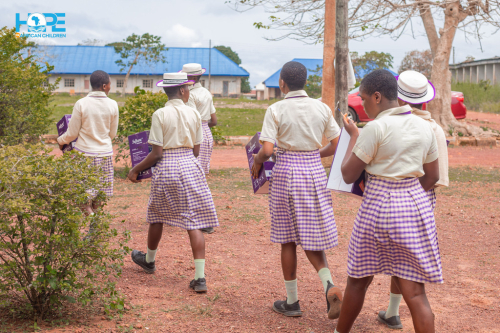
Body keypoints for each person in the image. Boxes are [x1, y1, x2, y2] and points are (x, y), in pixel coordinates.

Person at [335, 69, 442, 333]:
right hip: (415, 204)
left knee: (358, 281)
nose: (363, 104)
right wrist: (407, 195)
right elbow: (433, 176)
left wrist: (353, 136)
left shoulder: (375, 127)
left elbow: (348, 174)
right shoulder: (426, 126)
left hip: (378, 205)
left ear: (378, 96)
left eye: (363, 98)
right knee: (415, 294)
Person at [252, 61, 343, 319]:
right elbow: (336, 144)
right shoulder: (321, 108)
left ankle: (292, 301)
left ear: (282, 83)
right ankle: (328, 285)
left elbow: (268, 150)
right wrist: (315, 154)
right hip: (314, 171)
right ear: (306, 82)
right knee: (312, 232)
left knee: (288, 238)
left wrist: (257, 161)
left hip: (287, 173)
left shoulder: (276, 108)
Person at [128, 72, 219, 293]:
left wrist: (136, 169)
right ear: (181, 91)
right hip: (190, 165)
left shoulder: (159, 114)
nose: (189, 91)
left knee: (156, 215)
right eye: (187, 88)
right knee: (194, 221)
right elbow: (197, 150)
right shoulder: (194, 114)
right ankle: (200, 278)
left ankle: (149, 260)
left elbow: (157, 153)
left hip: (166, 167)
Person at [376, 70, 450, 330]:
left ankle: (395, 311)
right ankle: (392, 311)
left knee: (402, 264)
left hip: (398, 198)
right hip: (423, 199)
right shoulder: (434, 128)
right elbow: (435, 178)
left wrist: (402, 194)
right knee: (405, 261)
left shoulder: (393, 124)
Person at [57, 70, 119, 215]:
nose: (110, 87)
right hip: (105, 155)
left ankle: (92, 224)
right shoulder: (113, 104)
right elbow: (112, 134)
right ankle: (96, 230)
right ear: (104, 86)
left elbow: (72, 133)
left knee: (82, 201)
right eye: (109, 84)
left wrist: (60, 141)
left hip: (84, 156)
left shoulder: (81, 104)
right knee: (98, 200)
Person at [181, 63, 218, 235]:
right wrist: (204, 127)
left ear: (189, 78)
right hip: (206, 133)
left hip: (196, 135)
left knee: (194, 178)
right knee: (200, 175)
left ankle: (202, 218)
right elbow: (214, 120)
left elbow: (191, 119)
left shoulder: (190, 95)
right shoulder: (206, 93)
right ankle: (199, 215)